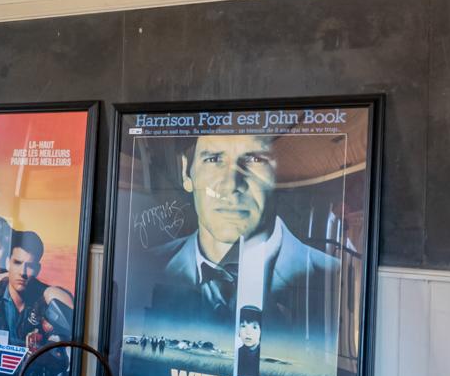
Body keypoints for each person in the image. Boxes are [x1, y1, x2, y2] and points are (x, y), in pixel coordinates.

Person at [144, 132, 340, 345]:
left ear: (278, 172)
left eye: (254, 159)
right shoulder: (143, 266)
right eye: (213, 159)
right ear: (186, 172)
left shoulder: (333, 277)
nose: (231, 185)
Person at [0, 230, 75, 349]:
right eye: (17, 263)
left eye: (30, 266)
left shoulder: (44, 297)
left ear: (37, 269)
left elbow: (72, 321)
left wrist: (47, 291)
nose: (23, 272)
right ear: (7, 263)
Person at [235, 305, 262, 376]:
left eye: (254, 327)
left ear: (261, 331)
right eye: (243, 326)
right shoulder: (238, 353)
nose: (248, 332)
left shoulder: (263, 354)